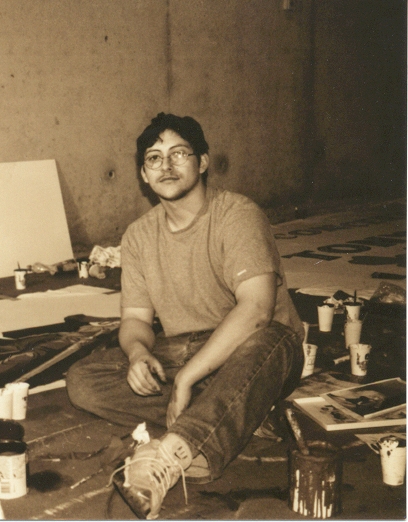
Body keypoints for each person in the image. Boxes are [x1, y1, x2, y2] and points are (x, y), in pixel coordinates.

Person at [66, 112, 305, 519]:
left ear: (203, 162)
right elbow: (136, 320)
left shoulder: (237, 214)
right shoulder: (139, 235)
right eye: (154, 158)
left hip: (257, 350)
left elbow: (257, 310)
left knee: (271, 340)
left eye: (179, 153)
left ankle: (175, 451)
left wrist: (186, 380)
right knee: (84, 380)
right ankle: (235, 414)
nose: (167, 166)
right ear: (144, 175)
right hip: (189, 351)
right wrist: (139, 354)